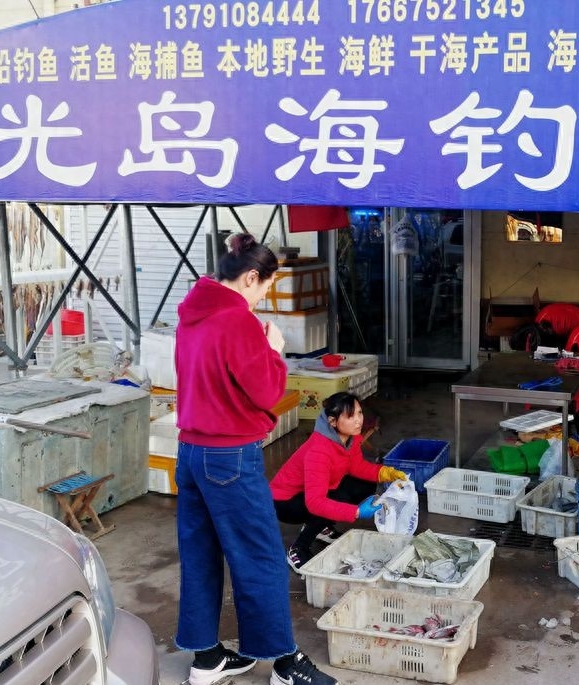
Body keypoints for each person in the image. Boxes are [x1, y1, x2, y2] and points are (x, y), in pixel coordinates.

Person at [174, 232, 337, 685]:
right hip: (229, 455)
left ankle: (206, 658)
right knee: (261, 556)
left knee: (201, 553)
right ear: (250, 277)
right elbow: (266, 391)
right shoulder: (239, 322)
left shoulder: (193, 311)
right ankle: (284, 662)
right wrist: (274, 351)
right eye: (265, 286)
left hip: (189, 451)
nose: (265, 295)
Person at [270, 391, 409, 571]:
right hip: (286, 502)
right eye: (350, 416)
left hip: (313, 491)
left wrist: (384, 473)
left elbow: (356, 466)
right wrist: (357, 512)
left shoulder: (350, 436)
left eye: (359, 413)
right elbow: (315, 503)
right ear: (332, 421)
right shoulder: (319, 451)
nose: (358, 420)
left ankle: (321, 527)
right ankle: (298, 549)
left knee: (364, 484)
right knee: (338, 498)